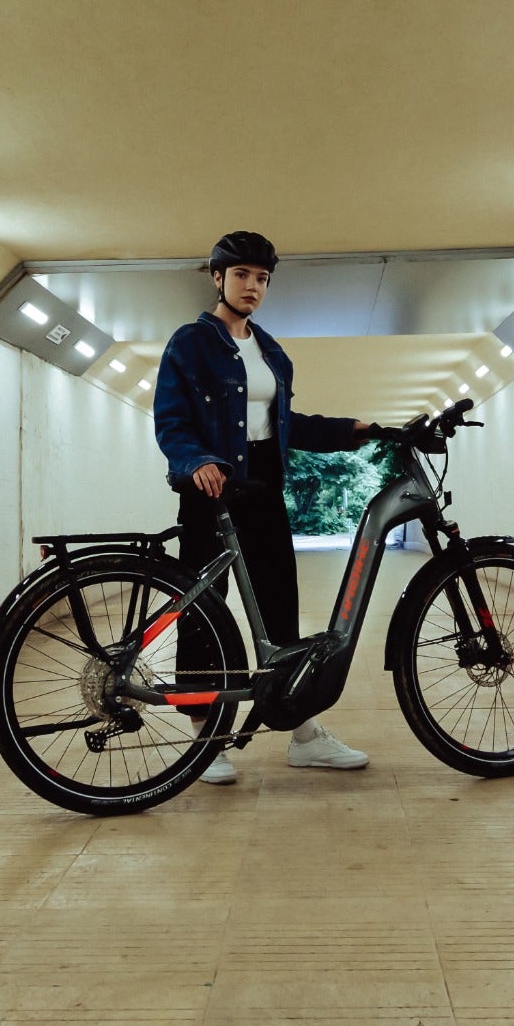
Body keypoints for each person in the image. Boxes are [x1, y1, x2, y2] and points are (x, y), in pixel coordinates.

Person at [153, 231, 376, 785]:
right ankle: (208, 739)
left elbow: (285, 426)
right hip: (211, 489)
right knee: (206, 611)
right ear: (218, 277)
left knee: (280, 607)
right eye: (243, 276)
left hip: (264, 488)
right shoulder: (189, 343)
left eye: (262, 279)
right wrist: (196, 461)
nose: (253, 287)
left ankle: (302, 730)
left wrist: (350, 431)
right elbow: (171, 421)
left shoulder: (272, 351)